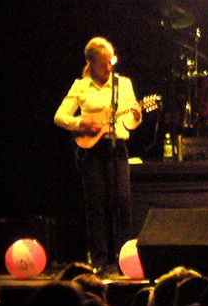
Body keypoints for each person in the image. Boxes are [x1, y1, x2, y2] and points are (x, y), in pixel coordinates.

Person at [54, 37, 142, 274]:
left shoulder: (123, 84)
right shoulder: (81, 86)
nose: (108, 68)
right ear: (91, 64)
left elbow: (130, 122)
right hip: (91, 151)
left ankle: (124, 258)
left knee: (122, 202)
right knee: (97, 206)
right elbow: (60, 116)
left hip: (117, 148)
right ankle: (100, 260)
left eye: (110, 63)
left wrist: (136, 115)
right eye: (103, 64)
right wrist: (81, 123)